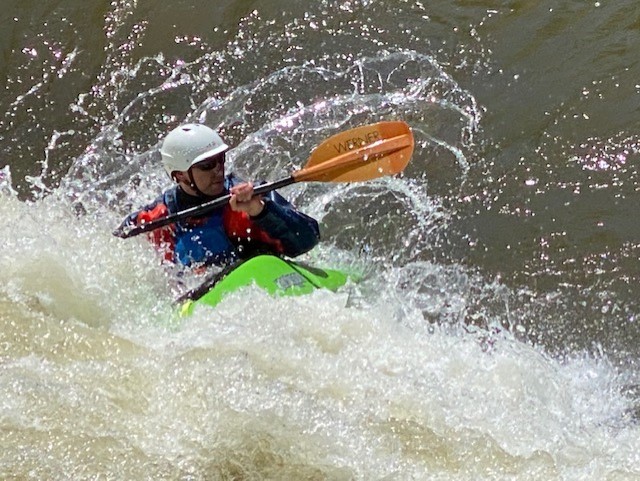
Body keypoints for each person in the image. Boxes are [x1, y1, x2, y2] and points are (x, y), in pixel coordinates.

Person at [118, 123, 320, 268]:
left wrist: (261, 211)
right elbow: (116, 247)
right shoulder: (159, 216)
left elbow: (308, 240)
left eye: (220, 160)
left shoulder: (253, 198)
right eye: (207, 165)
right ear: (180, 175)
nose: (218, 170)